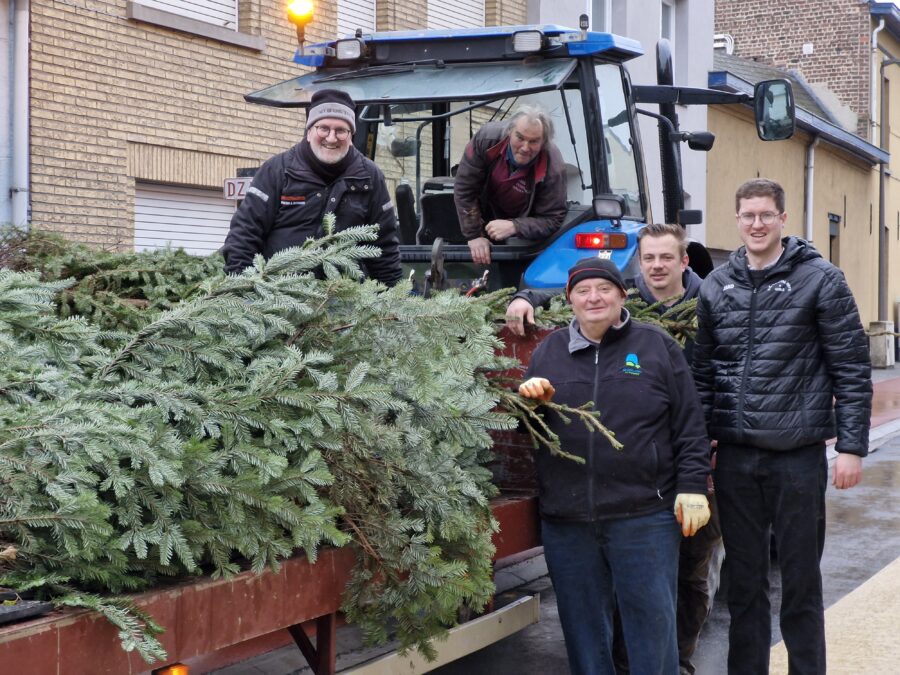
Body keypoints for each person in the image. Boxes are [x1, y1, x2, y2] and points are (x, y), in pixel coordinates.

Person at [507, 223, 723, 675]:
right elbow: (529, 439)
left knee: (652, 627)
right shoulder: (548, 355)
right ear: (570, 299)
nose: (593, 298)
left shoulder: (655, 346)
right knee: (584, 632)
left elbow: (688, 425)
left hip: (643, 516)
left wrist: (692, 487)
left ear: (623, 295)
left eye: (603, 289)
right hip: (569, 522)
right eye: (582, 290)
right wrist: (531, 409)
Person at [691, 178, 872, 675]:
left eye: (765, 215)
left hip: (797, 455)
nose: (756, 224)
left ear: (782, 219)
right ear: (737, 219)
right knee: (743, 587)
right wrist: (698, 449)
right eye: (747, 215)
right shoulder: (717, 285)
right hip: (735, 456)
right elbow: (703, 375)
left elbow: (851, 368)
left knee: (800, 585)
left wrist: (852, 447)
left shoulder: (821, 279)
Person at [222, 89, 401, 285]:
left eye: (341, 130)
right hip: (278, 298)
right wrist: (242, 290)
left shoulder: (370, 176)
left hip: (347, 301)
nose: (331, 138)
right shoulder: (277, 171)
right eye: (323, 128)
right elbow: (244, 235)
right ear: (309, 131)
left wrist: (394, 300)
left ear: (351, 135)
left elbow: (384, 247)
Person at [453, 105, 567, 265]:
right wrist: (474, 236)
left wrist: (515, 226)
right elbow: (465, 188)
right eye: (520, 138)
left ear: (544, 142)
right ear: (509, 131)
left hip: (522, 240)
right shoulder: (485, 140)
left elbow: (552, 218)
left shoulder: (553, 167)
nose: (525, 148)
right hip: (479, 215)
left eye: (534, 141)